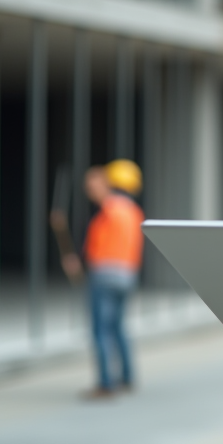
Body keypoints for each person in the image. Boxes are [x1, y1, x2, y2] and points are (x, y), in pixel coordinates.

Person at [64, 159, 145, 398]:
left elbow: (94, 245)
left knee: (100, 330)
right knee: (119, 327)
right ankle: (127, 376)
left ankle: (105, 383)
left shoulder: (108, 210)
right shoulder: (134, 211)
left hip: (104, 274)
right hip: (127, 275)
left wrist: (76, 261)